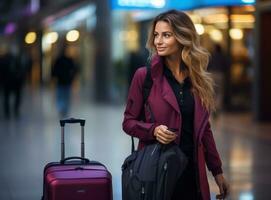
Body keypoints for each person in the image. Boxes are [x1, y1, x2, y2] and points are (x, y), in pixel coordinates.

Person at [122, 10, 229, 200]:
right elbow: (128, 122)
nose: (158, 41)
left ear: (182, 37)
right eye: (156, 35)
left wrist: (217, 171)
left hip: (193, 176)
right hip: (158, 174)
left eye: (166, 35)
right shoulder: (144, 77)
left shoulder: (198, 80)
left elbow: (204, 131)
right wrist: (153, 130)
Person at [51, 44, 78, 117]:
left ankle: (62, 108)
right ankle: (63, 108)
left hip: (63, 81)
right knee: (65, 96)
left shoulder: (60, 60)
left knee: (62, 96)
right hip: (64, 81)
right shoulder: (68, 60)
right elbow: (75, 70)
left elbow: (53, 71)